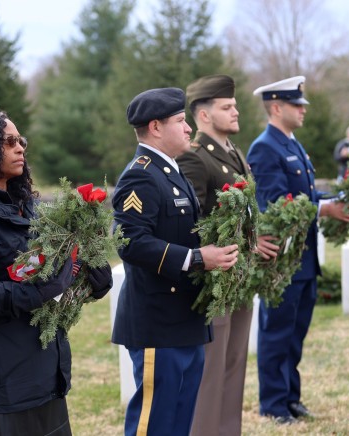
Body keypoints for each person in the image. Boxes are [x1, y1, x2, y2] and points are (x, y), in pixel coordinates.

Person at [0, 108, 113, 435]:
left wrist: (91, 276)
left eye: (20, 140)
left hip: (41, 374)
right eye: (8, 142)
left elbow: (54, 271)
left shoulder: (28, 206)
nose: (20, 147)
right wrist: (36, 293)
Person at [111, 87, 240, 435]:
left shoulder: (170, 171)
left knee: (180, 420)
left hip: (184, 319)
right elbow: (130, 242)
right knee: (156, 422)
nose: (188, 129)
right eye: (181, 121)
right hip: (158, 322)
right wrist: (198, 258)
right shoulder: (141, 174)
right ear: (156, 127)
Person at [247, 76, 349, 424]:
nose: (303, 110)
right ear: (277, 107)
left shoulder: (292, 144)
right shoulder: (265, 147)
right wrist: (326, 209)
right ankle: (273, 405)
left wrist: (338, 201)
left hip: (304, 257)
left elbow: (306, 194)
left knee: (295, 335)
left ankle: (290, 397)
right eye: (297, 105)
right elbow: (277, 203)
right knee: (277, 333)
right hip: (282, 259)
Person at [177, 74, 279, 436]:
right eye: (227, 107)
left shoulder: (234, 153)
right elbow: (192, 223)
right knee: (211, 372)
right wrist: (244, 241)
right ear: (204, 115)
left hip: (239, 278)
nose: (236, 111)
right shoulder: (195, 158)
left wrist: (257, 234)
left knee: (234, 366)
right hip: (214, 281)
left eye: (234, 105)